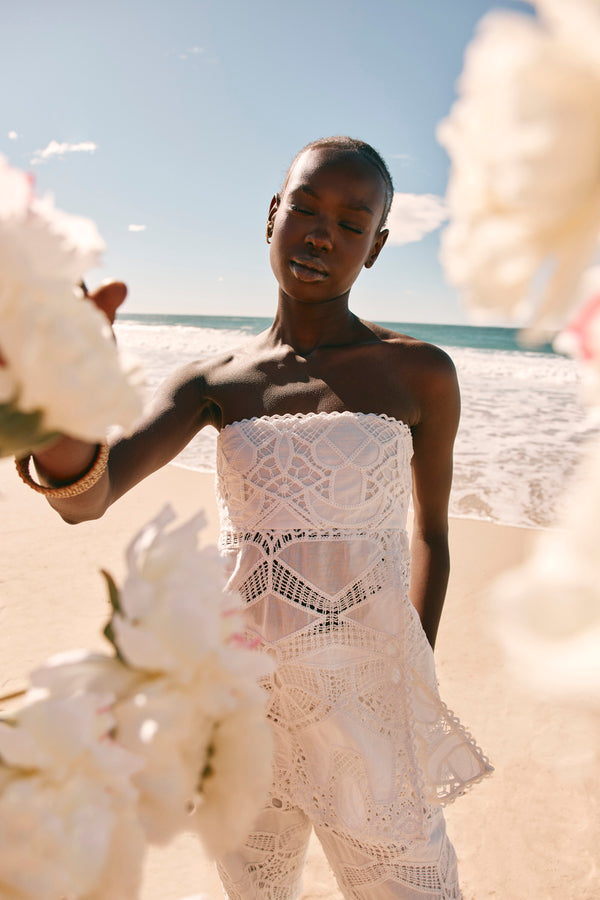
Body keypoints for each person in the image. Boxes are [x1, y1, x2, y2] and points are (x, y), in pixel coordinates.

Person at [21, 137, 492, 899]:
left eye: (349, 222)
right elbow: (88, 499)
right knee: (258, 887)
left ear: (375, 247)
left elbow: (431, 535)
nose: (319, 234)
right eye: (304, 208)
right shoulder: (215, 383)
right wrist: (60, 388)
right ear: (272, 216)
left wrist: (409, 679)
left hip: (365, 702)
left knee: (414, 884)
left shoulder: (420, 373)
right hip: (242, 704)